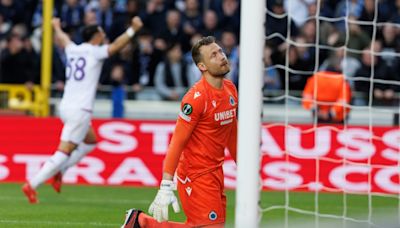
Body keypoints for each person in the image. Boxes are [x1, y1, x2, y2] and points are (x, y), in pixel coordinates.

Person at [21, 16, 143, 204]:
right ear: (95, 36)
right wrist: (132, 30)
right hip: (80, 110)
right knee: (64, 151)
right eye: (101, 33)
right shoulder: (95, 52)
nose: (104, 35)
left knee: (90, 142)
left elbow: (63, 39)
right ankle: (32, 183)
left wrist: (56, 27)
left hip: (66, 106)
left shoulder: (74, 50)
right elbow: (117, 46)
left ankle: (60, 171)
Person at [121, 36, 238, 228]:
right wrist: (166, 184)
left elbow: (231, 130)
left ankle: (140, 222)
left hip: (216, 171)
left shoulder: (231, 89)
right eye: (214, 55)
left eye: (221, 52)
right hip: (195, 174)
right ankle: (142, 222)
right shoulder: (195, 99)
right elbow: (177, 142)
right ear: (202, 66)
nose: (222, 57)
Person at [302, 59, 352, 124]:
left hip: (318, 117)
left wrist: (315, 110)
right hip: (337, 119)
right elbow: (343, 100)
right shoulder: (342, 80)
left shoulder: (315, 77)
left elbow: (307, 96)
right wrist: (330, 113)